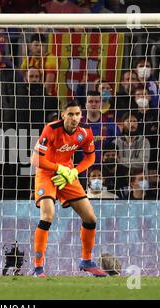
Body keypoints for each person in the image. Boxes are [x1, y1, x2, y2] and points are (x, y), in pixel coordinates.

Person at [30, 100, 107, 277]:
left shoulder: (85, 131)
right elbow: (35, 160)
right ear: (63, 115)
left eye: (77, 114)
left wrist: (73, 172)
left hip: (67, 176)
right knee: (47, 215)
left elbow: (90, 158)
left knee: (90, 218)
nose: (74, 118)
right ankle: (38, 267)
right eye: (70, 114)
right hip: (47, 173)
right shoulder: (51, 129)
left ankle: (86, 261)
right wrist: (59, 168)